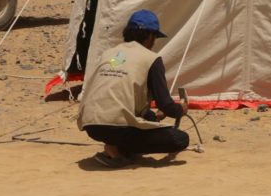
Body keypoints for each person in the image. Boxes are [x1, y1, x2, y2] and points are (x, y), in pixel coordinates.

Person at [77, 9, 189, 168]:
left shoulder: (109, 53)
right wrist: (181, 109)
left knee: (149, 118)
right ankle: (114, 150)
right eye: (155, 37)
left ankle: (113, 146)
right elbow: (166, 105)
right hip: (117, 127)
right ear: (150, 36)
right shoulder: (152, 59)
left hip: (92, 125)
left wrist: (156, 117)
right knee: (179, 139)